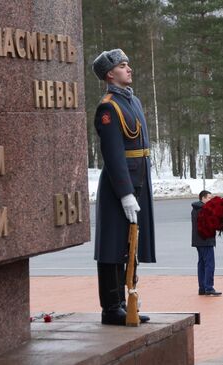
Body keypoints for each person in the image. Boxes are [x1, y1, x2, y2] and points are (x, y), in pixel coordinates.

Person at [91, 49, 155, 326]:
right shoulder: (109, 107)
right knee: (113, 246)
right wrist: (126, 193)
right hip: (120, 186)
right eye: (122, 65)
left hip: (138, 181)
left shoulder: (133, 101)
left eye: (127, 64)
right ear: (109, 74)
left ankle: (129, 300)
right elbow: (114, 154)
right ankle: (111, 307)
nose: (128, 69)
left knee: (131, 246)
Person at [191, 190, 222, 296]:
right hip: (206, 240)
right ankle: (209, 287)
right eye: (209, 198)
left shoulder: (196, 209)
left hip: (198, 240)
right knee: (209, 264)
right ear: (202, 198)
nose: (211, 200)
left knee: (202, 264)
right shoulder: (204, 209)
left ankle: (202, 288)